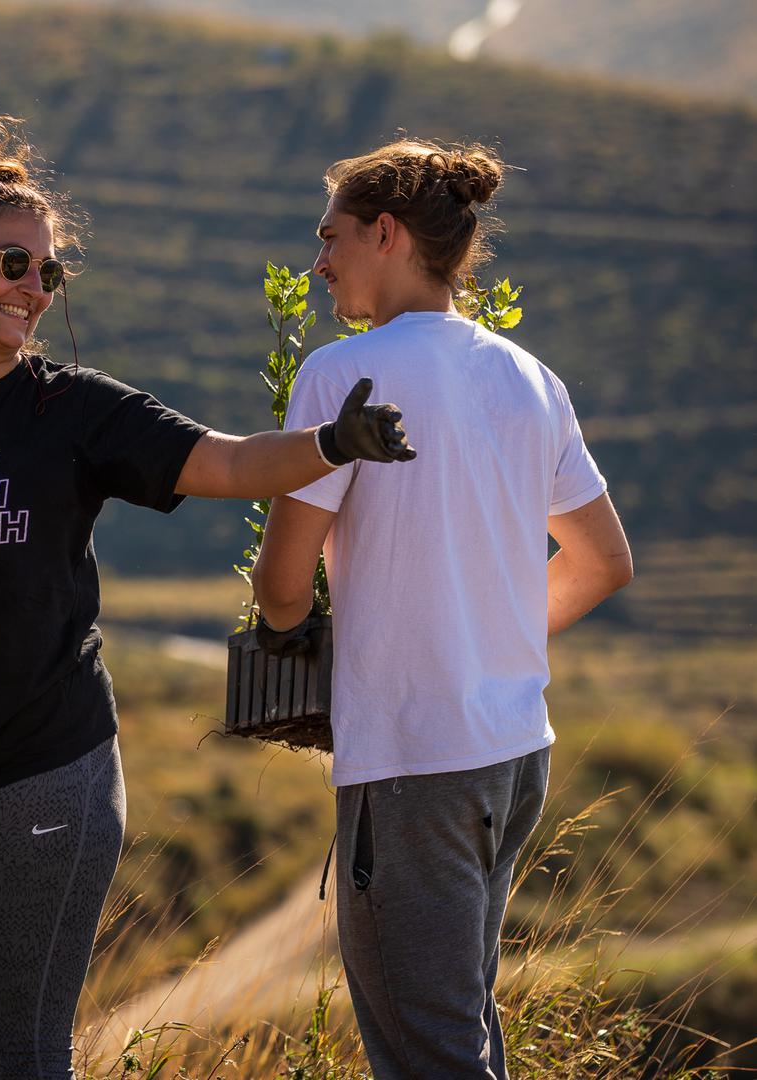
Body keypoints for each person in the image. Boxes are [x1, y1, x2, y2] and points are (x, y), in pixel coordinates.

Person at [0, 117, 415, 1080]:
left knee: (19, 1054)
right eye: (13, 263)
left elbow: (223, 460)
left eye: (48, 274)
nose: (33, 288)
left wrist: (329, 444)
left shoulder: (73, 408)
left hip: (42, 764)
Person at [252, 141, 634, 1078]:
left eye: (330, 236)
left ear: (385, 233)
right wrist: (484, 633)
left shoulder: (343, 378)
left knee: (428, 1052)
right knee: (460, 1025)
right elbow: (602, 563)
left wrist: (292, 642)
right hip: (512, 752)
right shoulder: (530, 377)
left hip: (415, 759)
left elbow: (279, 584)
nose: (318, 261)